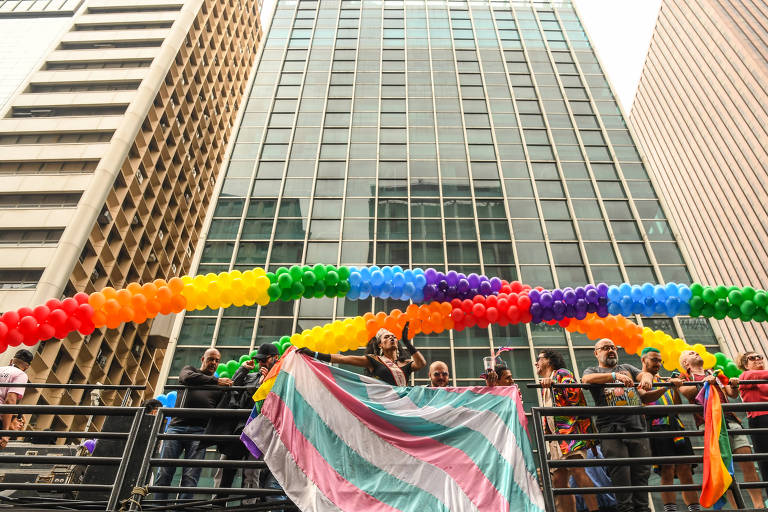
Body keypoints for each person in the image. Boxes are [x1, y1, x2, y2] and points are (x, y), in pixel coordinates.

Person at [678, 349, 764, 508]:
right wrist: (705, 381)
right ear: (685, 363)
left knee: (748, 462)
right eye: (691, 353)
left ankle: (759, 506)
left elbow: (730, 393)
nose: (696, 353)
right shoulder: (683, 376)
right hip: (709, 423)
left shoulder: (716, 372)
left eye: (696, 352)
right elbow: (686, 392)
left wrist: (734, 385)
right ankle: (738, 508)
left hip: (730, 419)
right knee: (723, 466)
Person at [581, 339, 654, 512]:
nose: (611, 350)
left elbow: (645, 374)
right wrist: (614, 376)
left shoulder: (627, 367)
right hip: (611, 429)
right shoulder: (593, 370)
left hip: (637, 427)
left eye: (613, 347)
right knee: (620, 472)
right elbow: (586, 379)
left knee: (641, 472)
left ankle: (643, 509)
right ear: (596, 353)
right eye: (605, 348)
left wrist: (647, 378)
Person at [209, 343, 284, 506]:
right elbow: (232, 388)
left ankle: (249, 506)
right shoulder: (251, 376)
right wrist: (242, 369)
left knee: (251, 472)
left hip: (260, 432)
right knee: (225, 467)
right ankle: (218, 504)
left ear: (275, 359)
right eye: (259, 361)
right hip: (239, 429)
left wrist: (266, 384)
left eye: (264, 360)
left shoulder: (281, 378)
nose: (261, 364)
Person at [154, 348, 232, 503]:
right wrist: (215, 381)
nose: (214, 363)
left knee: (191, 476)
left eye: (217, 360)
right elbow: (185, 378)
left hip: (200, 432)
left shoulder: (220, 386)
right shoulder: (190, 370)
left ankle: (183, 508)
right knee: (164, 472)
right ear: (203, 359)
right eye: (211, 359)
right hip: (176, 428)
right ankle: (157, 506)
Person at [536, 349, 600, 512]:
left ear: (549, 361)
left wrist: (555, 384)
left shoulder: (561, 374)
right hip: (556, 439)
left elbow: (575, 398)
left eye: (539, 359)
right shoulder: (545, 384)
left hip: (571, 433)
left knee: (577, 470)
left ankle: (595, 510)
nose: (536, 363)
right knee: (559, 480)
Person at [639, 347, 699, 512]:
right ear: (644, 360)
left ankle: (695, 509)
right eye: (654, 359)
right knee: (667, 469)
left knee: (686, 470)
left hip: (676, 425)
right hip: (657, 426)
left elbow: (677, 407)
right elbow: (644, 397)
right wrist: (667, 386)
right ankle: (670, 510)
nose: (658, 363)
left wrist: (674, 388)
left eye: (660, 360)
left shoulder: (664, 379)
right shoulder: (642, 379)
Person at [299, 326, 426, 386]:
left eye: (394, 337)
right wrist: (314, 354)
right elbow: (342, 359)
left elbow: (421, 364)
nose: (391, 338)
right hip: (383, 407)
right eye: (386, 337)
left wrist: (408, 342)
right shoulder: (374, 360)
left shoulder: (406, 363)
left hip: (403, 406)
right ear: (380, 345)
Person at [735, 351, 768, 482]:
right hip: (761, 419)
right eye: (752, 358)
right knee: (766, 459)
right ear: (746, 365)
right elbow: (750, 376)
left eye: (759, 356)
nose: (757, 359)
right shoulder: (746, 375)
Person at [0, 349, 33, 450]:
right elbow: (10, 401)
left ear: (11, 361)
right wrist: (5, 432)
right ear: (27, 367)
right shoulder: (21, 374)